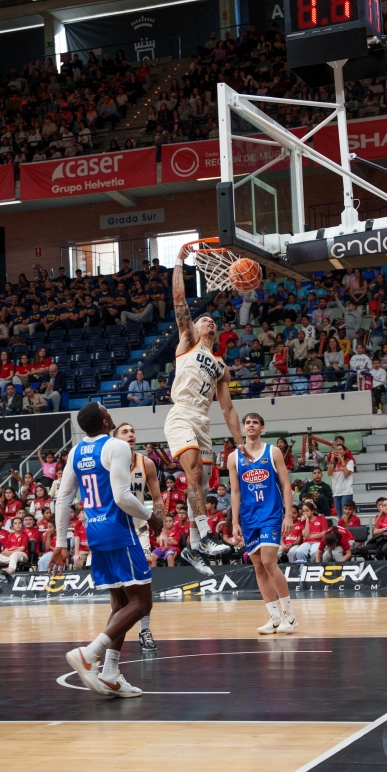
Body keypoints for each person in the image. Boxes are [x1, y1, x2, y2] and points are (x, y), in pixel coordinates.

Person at [54, 402, 160, 698]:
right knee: (142, 604)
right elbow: (122, 496)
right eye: (105, 409)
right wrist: (151, 518)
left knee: (120, 604)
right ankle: (90, 653)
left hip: (95, 532)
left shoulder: (76, 452)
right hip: (120, 531)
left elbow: (63, 498)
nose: (109, 411)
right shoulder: (117, 446)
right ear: (104, 421)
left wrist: (61, 542)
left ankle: (110, 673)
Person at [165, 243, 245, 574]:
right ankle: (208, 535)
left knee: (203, 485)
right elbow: (178, 300)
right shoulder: (188, 341)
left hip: (204, 421)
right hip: (181, 413)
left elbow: (228, 409)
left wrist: (240, 443)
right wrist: (178, 263)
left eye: (212, 320)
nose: (208, 321)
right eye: (203, 319)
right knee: (194, 474)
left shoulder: (222, 366)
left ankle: (194, 547)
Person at [227, 411, 298, 635]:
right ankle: (274, 617)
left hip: (271, 514)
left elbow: (286, 485)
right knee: (258, 566)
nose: (251, 425)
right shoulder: (233, 457)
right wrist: (235, 522)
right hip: (248, 518)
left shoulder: (273, 451)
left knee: (268, 562)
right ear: (243, 428)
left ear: (262, 428)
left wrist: (288, 515)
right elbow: (235, 492)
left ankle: (289, 615)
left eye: (255, 422)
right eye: (247, 422)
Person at [113, 421, 167, 651]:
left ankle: (145, 630)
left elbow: (157, 498)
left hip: (139, 529)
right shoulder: (108, 463)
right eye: (125, 432)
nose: (131, 434)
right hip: (116, 530)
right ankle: (116, 631)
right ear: (115, 439)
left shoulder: (146, 463)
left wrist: (162, 529)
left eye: (133, 431)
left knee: (144, 582)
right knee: (118, 588)